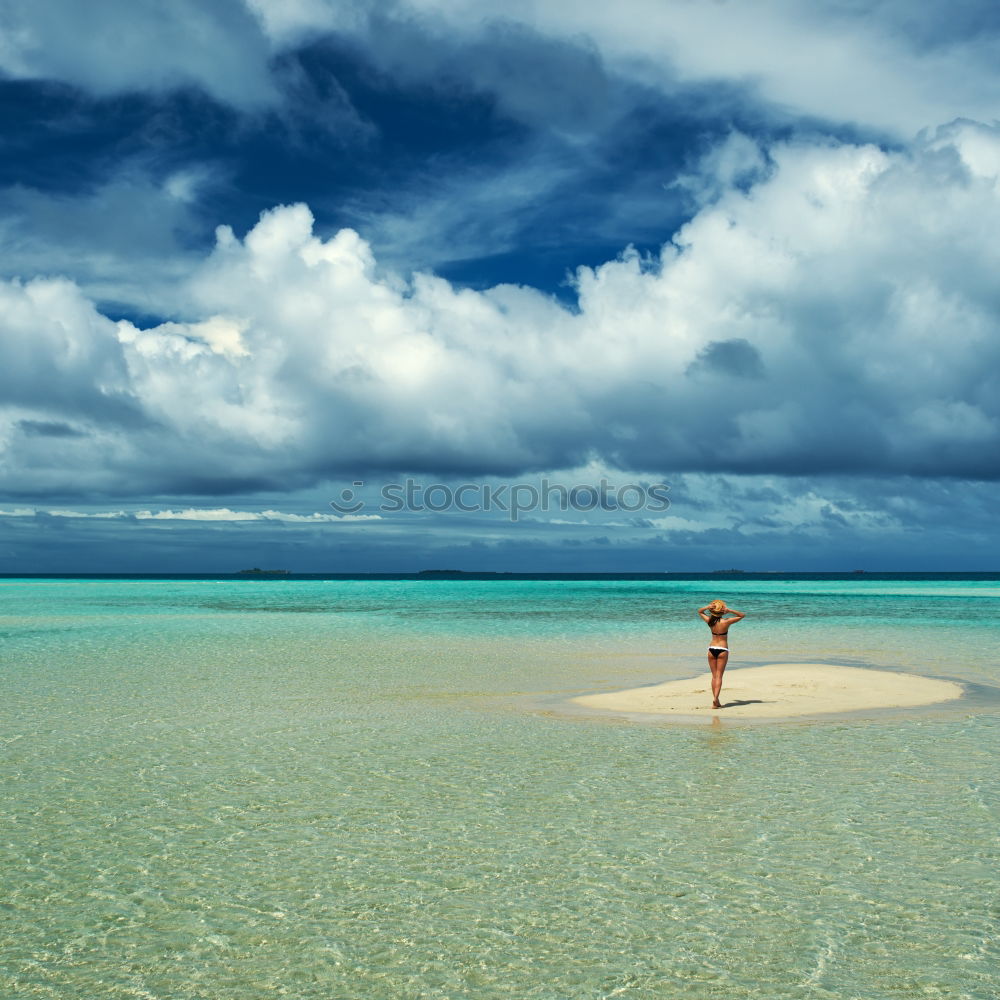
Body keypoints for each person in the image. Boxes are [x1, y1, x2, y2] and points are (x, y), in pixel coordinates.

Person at [697, 599, 746, 709]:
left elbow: (700, 611)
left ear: (712, 612)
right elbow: (742, 615)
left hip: (711, 648)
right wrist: (729, 610)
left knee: (714, 676)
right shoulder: (726, 622)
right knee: (719, 676)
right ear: (722, 612)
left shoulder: (710, 621)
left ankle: (716, 699)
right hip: (722, 649)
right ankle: (715, 699)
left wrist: (707, 607)